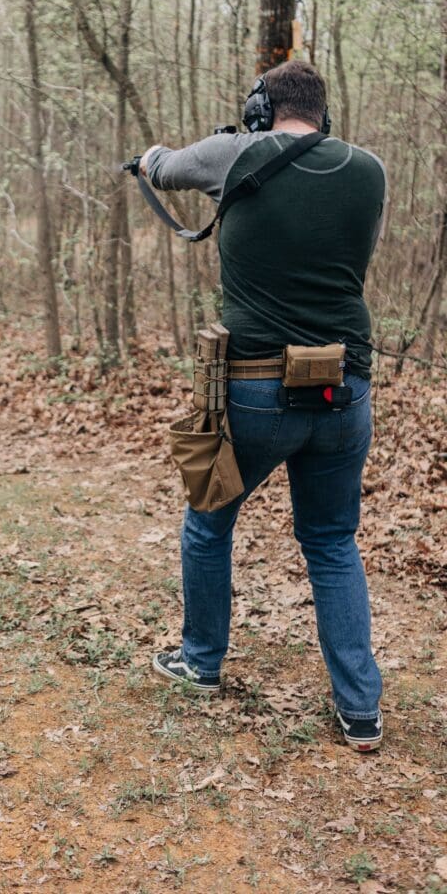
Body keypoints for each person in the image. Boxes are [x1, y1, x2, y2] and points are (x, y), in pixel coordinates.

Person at [140, 60, 387, 752]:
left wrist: (148, 159)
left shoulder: (234, 153)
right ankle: (360, 711)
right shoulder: (369, 171)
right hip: (344, 389)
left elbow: (166, 168)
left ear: (259, 109)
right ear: (323, 113)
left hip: (252, 391)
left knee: (208, 524)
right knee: (333, 543)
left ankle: (201, 662)